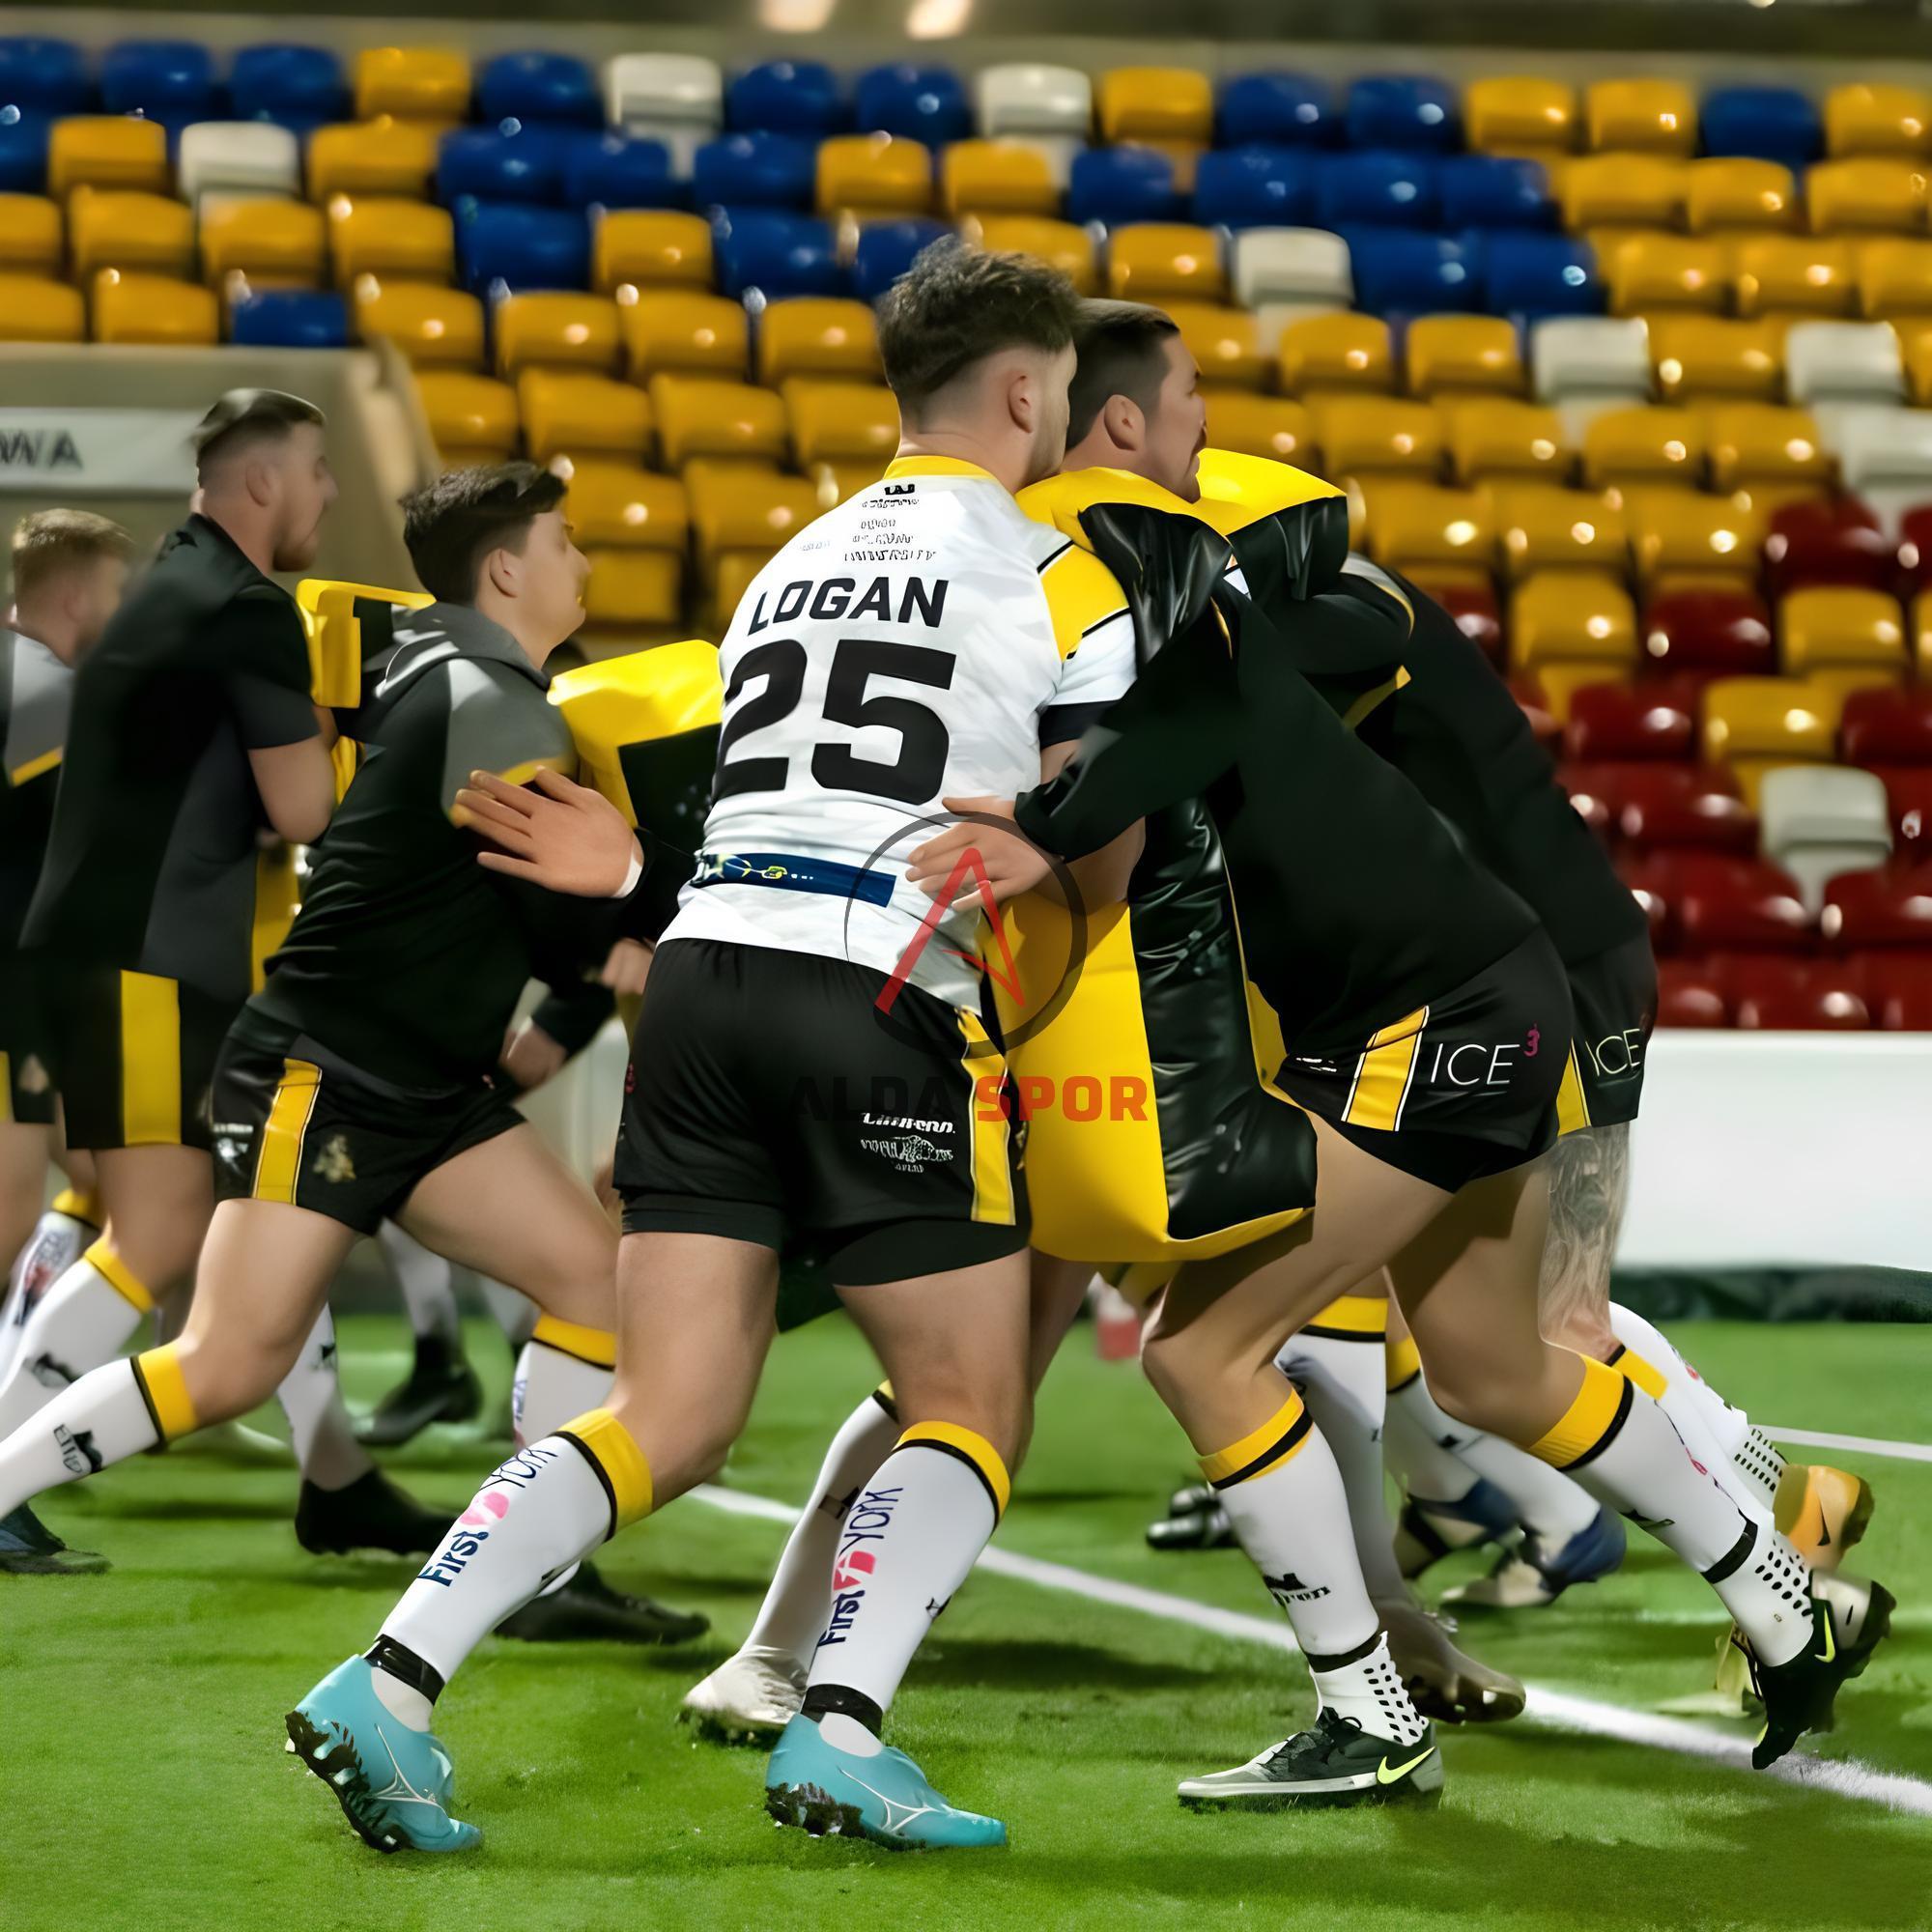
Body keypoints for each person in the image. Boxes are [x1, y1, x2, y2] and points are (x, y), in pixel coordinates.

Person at [899, 313, 1890, 1804]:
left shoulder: (1117, 546)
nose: (1208, 423)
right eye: (1192, 398)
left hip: (1435, 1010)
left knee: (1204, 1348)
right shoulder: (1158, 560)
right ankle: (1782, 1600)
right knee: (1498, 1365)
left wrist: (1040, 828)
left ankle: (1368, 1713)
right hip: (1476, 987)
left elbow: (1200, 708)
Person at [285, 241, 1146, 1855]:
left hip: (697, 976)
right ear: (1030, 396)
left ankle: (388, 1681)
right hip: (879, 985)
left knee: (667, 1413)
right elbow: (1099, 853)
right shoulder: (1061, 571)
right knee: (968, 1397)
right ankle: (843, 1730)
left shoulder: (785, 563)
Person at [0, 461, 702, 1644]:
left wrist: (616, 936)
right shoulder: (493, 701)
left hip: (421, 1082)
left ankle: (533, 1575)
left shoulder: (439, 669)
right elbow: (557, 896)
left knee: (594, 1281)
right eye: (564, 541)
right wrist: (653, 919)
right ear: (505, 569)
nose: (584, 562)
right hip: (326, 1072)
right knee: (227, 1360)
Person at [0, 391, 454, 1570]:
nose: (331, 492)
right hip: (149, 958)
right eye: (319, 470)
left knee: (262, 1210)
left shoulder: (173, 583)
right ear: (264, 482)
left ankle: (333, 1474)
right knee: (156, 1232)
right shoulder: (247, 607)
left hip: (116, 950)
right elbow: (303, 810)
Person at [0, 511, 131, 1402]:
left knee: (100, 1176)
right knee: (11, 1215)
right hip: (15, 989)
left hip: (29, 990)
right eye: (120, 593)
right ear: (81, 595)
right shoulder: (50, 693)